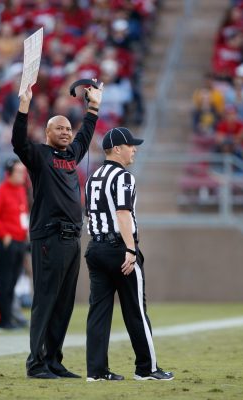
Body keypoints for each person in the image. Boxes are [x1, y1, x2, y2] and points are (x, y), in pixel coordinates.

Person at [13, 81, 103, 379]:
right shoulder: (39, 155)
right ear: (47, 133)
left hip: (71, 238)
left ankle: (53, 360)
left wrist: (93, 107)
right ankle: (35, 363)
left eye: (68, 129)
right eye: (59, 128)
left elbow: (87, 133)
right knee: (46, 301)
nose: (66, 132)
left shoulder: (70, 156)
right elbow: (18, 143)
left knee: (64, 304)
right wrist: (24, 107)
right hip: (48, 237)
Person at [84, 127, 174, 381]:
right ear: (116, 149)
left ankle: (96, 371)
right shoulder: (123, 177)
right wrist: (131, 249)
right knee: (135, 310)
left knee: (98, 312)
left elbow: (90, 215)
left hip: (96, 248)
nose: (134, 149)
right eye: (130, 145)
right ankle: (147, 368)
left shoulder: (93, 178)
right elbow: (123, 214)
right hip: (119, 250)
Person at [0, 158, 29, 331]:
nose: (22, 175)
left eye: (23, 171)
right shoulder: (1, 191)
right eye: (19, 172)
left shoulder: (21, 190)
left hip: (19, 240)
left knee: (14, 281)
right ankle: (3, 321)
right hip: (7, 242)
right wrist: (4, 234)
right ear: (9, 173)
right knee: (6, 281)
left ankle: (10, 317)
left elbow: (22, 214)